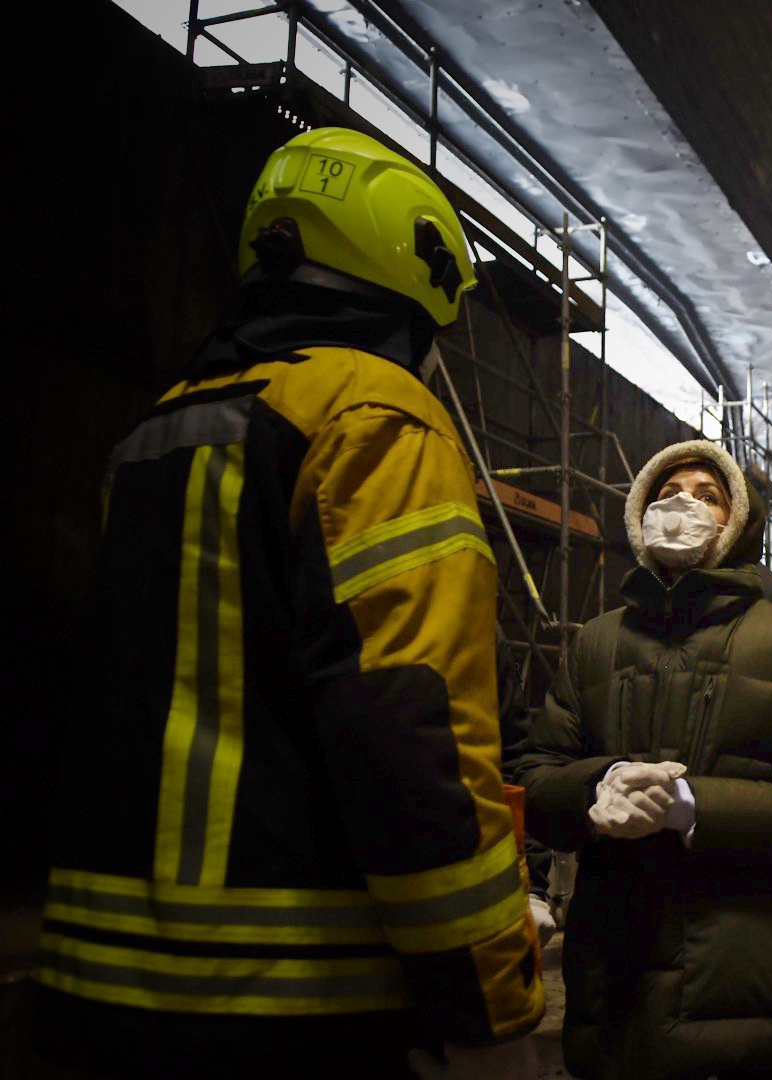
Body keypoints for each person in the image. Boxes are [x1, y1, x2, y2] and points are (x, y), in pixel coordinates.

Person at [31, 128, 543, 1078]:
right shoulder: (374, 415)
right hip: (302, 1005)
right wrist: (488, 1009)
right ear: (417, 261)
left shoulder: (160, 430)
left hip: (95, 990)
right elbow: (410, 733)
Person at [514, 438, 772, 1080]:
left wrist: (689, 806)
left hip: (753, 981)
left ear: (736, 525)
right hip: (618, 986)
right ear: (639, 516)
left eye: (708, 496)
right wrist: (599, 785)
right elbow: (537, 780)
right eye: (667, 494)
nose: (684, 506)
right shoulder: (597, 643)